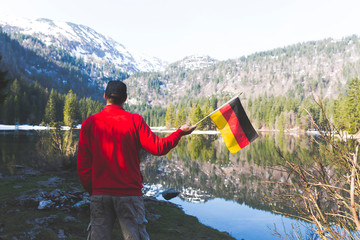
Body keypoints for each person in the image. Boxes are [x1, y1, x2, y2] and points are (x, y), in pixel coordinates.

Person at [77, 80, 196, 240]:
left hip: (100, 194)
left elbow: (83, 166)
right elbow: (158, 148)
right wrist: (179, 133)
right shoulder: (134, 120)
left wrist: (94, 190)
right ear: (125, 99)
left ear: (105, 96)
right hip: (129, 194)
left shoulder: (89, 123)